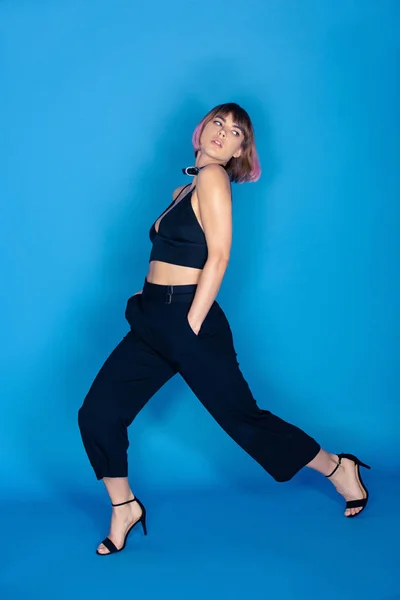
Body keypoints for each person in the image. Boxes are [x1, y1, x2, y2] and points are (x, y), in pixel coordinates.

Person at [78, 102, 371, 556]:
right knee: (98, 412)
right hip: (152, 316)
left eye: (236, 131)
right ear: (202, 129)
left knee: (242, 419)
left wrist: (191, 322)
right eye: (218, 121)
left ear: (239, 150)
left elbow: (219, 255)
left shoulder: (213, 179)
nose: (224, 132)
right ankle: (125, 507)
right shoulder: (184, 188)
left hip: (186, 317)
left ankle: (337, 468)